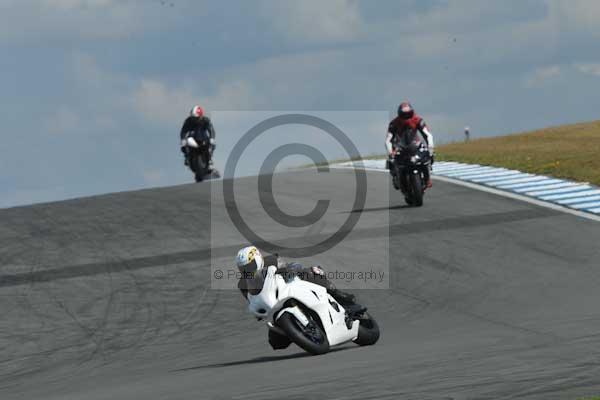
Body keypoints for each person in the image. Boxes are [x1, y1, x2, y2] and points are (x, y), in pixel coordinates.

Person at [235, 246, 357, 306]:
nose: (247, 270)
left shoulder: (271, 260)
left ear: (257, 259)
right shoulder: (243, 284)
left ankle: (336, 293)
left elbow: (292, 266)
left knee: (311, 272)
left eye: (249, 266)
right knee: (276, 342)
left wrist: (291, 269)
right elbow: (253, 302)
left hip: (289, 285)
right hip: (275, 303)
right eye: (243, 268)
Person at [385, 101, 435, 188]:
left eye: (408, 114)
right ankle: (396, 178)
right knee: (392, 162)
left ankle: (427, 178)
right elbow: (388, 140)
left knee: (428, 157)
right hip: (400, 147)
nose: (406, 117)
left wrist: (430, 147)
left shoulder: (418, 120)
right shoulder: (394, 123)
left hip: (415, 145)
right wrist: (390, 152)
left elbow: (427, 134)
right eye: (404, 115)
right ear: (399, 114)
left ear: (412, 112)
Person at [179, 105, 216, 171]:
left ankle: (210, 160)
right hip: (192, 138)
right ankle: (187, 157)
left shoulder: (206, 120)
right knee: (184, 145)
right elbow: (183, 131)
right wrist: (183, 139)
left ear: (201, 115)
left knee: (212, 144)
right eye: (193, 118)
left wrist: (212, 138)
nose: (195, 119)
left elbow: (211, 129)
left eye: (196, 118)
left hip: (203, 138)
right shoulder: (188, 121)